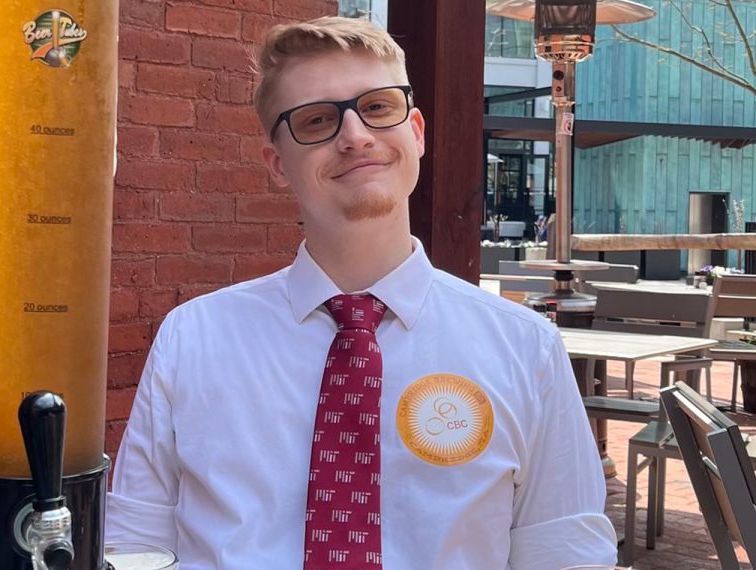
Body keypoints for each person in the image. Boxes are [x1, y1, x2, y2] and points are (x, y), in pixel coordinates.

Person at [106, 16, 617, 569]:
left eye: (376, 107)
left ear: (415, 131)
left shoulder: (526, 350)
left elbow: (563, 556)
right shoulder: (194, 339)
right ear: (278, 164)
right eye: (317, 119)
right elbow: (136, 544)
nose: (354, 135)